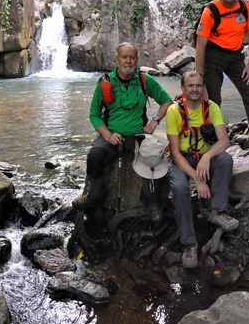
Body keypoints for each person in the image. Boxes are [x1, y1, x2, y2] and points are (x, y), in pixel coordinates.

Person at [72, 42, 173, 224]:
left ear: (136, 59)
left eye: (132, 57)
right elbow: (94, 115)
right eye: (124, 57)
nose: (128, 61)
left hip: (137, 135)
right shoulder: (105, 83)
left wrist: (154, 122)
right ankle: (94, 197)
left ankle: (151, 203)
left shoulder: (144, 81)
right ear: (116, 59)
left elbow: (166, 101)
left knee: (153, 157)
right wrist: (107, 134)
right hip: (111, 135)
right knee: (95, 155)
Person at [194, 0, 249, 160]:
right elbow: (200, 47)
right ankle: (210, 145)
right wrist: (200, 80)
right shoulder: (210, 10)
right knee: (212, 100)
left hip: (236, 56)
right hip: (213, 55)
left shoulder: (246, 7)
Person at [166, 71, 239, 269]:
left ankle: (217, 211)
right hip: (182, 159)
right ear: (183, 89)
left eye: (198, 85)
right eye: (190, 86)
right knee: (180, 187)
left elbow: (224, 140)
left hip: (203, 157)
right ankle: (189, 243)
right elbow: (174, 153)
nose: (195, 89)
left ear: (203, 87)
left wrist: (206, 157)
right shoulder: (174, 112)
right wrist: (197, 179)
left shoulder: (212, 107)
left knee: (224, 159)